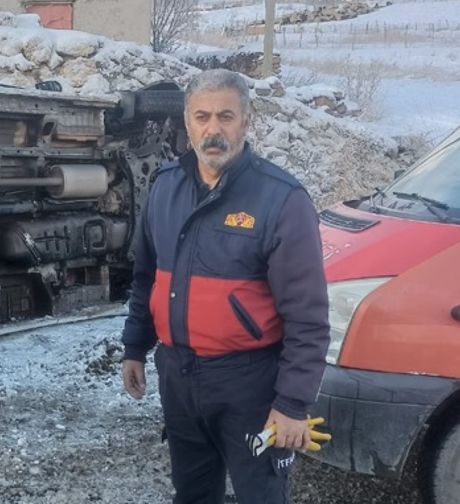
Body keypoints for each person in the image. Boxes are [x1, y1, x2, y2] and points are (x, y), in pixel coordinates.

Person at [120, 69, 330, 504]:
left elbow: (307, 317)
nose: (213, 129)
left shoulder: (281, 200)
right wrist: (135, 348)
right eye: (202, 116)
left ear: (246, 121)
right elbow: (146, 278)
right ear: (186, 121)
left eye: (225, 116)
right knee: (192, 493)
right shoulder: (164, 188)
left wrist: (291, 405)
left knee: (262, 494)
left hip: (249, 384)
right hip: (177, 375)